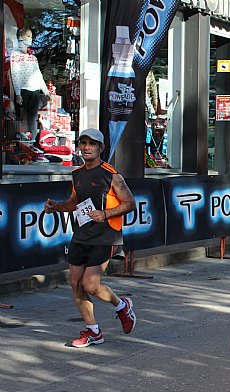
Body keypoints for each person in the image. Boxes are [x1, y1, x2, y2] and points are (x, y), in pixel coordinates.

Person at [43, 128, 137, 348]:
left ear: (100, 148)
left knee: (91, 284)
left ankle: (122, 306)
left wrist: (105, 214)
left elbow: (130, 203)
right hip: (82, 234)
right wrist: (55, 207)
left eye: (91, 144)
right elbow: (74, 203)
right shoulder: (77, 174)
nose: (86, 147)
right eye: (83, 143)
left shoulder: (111, 173)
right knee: (76, 283)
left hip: (106, 236)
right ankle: (93, 331)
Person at [10, 27, 50, 140]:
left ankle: (33, 141)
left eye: (31, 37)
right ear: (20, 37)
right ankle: (23, 141)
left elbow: (38, 75)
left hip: (35, 90)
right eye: (28, 36)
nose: (30, 39)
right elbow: (15, 74)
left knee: (33, 118)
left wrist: (46, 91)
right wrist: (18, 93)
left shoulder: (32, 57)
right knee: (23, 118)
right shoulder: (15, 55)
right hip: (24, 90)